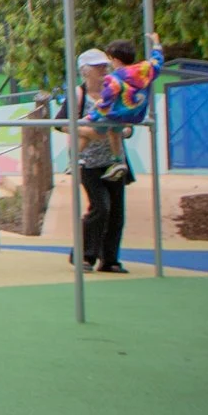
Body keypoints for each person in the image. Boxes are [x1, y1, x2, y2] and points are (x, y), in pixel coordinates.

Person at [73, 47, 134, 273]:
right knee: (100, 207)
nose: (102, 70)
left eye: (104, 66)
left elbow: (127, 118)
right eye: (97, 67)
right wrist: (90, 132)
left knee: (117, 211)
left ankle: (110, 259)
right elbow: (62, 124)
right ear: (85, 71)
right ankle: (85, 255)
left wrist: (125, 130)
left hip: (113, 160)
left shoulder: (115, 90)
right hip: (88, 162)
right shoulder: (79, 95)